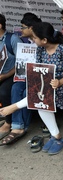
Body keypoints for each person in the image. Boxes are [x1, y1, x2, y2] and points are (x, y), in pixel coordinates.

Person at [0, 22, 63, 155]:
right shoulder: (40, 50)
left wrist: (59, 82)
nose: (33, 40)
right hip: (48, 84)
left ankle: (14, 107)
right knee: (41, 97)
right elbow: (39, 69)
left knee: (43, 95)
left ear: (44, 40)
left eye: (35, 38)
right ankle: (56, 136)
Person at [0, 13, 42, 145]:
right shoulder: (24, 41)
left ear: (31, 28)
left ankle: (18, 126)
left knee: (24, 92)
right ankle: (16, 125)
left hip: (37, 76)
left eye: (23, 27)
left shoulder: (41, 40)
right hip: (23, 75)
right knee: (16, 87)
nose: (20, 30)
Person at [0, 14, 23, 142]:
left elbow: (21, 63)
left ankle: (8, 122)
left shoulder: (12, 39)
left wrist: (4, 76)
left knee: (4, 92)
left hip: (11, 74)